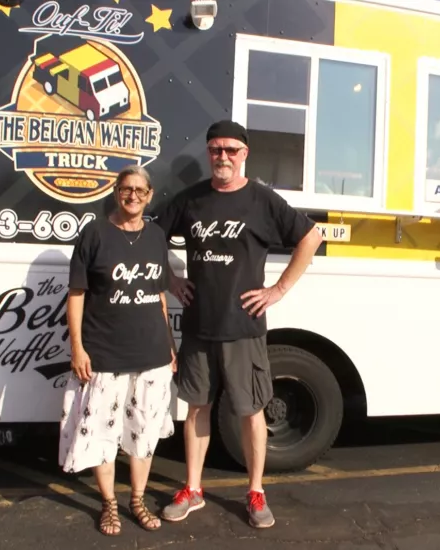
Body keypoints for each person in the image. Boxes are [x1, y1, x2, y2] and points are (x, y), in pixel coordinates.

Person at [152, 120, 323, 529]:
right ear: (208, 153)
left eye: (231, 149)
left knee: (251, 411)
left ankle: (256, 491)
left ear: (245, 153)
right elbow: (149, 237)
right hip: (199, 327)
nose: (222, 156)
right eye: (215, 149)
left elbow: (311, 237)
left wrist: (278, 289)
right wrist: (171, 279)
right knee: (197, 409)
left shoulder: (262, 201)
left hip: (244, 328)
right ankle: (193, 489)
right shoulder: (191, 200)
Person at [59, 165, 179, 537]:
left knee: (144, 432)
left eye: (140, 191)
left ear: (150, 195)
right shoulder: (94, 234)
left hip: (151, 355)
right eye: (126, 189)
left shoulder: (157, 236)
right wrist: (77, 347)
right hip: (104, 355)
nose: (133, 196)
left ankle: (137, 499)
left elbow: (159, 294)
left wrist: (170, 346)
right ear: (116, 191)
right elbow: (76, 294)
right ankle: (109, 503)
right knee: (101, 435)